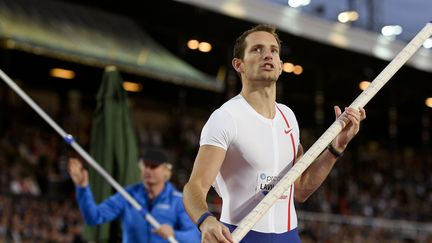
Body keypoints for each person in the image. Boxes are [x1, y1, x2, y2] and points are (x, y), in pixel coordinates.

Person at [182, 24, 366, 243]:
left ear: (280, 66)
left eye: (273, 50)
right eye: (257, 49)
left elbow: (300, 189)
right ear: (238, 64)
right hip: (241, 236)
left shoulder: (288, 117)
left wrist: (336, 148)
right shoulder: (226, 118)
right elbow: (194, 187)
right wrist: (206, 220)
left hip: (289, 236)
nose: (267, 55)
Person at [68, 148, 201, 243]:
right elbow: (94, 217)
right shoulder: (127, 195)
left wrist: (174, 234)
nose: (148, 170)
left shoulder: (178, 201)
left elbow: (195, 238)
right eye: (145, 165)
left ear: (166, 171)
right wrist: (82, 187)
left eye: (153, 166)